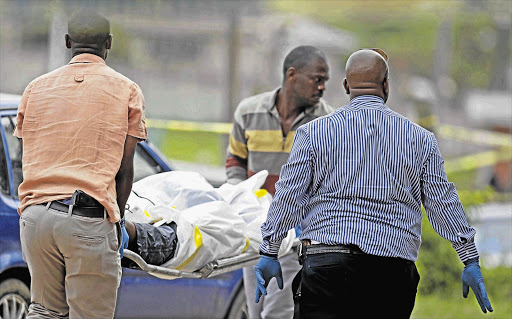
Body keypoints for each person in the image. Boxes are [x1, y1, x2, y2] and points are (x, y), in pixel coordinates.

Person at [253, 49, 493, 319]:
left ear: (345, 86)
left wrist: (269, 251)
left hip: (327, 265)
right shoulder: (420, 139)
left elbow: (288, 196)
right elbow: (442, 202)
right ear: (386, 84)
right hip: (391, 270)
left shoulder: (312, 134)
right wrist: (469, 258)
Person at [15, 10, 146, 318]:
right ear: (109, 43)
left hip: (35, 220)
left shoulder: (35, 88)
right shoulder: (126, 90)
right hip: (86, 218)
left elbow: (26, 155)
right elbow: (124, 170)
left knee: (44, 311)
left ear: (67, 41)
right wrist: (116, 221)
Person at [226, 45, 334, 319]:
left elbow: (331, 181)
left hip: (296, 234)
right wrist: (244, 203)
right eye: (317, 79)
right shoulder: (249, 112)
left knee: (279, 310)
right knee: (255, 306)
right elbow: (236, 162)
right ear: (292, 75)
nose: (322, 87)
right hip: (254, 230)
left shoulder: (327, 122)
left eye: (325, 81)